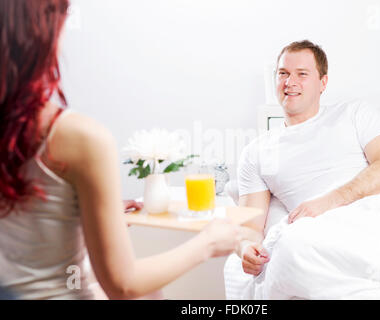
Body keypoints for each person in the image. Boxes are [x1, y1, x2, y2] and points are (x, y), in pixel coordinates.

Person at [0, 0, 242, 300]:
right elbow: (124, 285)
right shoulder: (79, 136)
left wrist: (90, 213)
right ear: (44, 31)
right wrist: (208, 242)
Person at [224, 40, 380, 299]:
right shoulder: (256, 152)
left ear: (323, 83)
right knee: (290, 249)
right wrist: (246, 249)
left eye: (302, 74)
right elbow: (249, 225)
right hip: (323, 232)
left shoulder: (354, 113)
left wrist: (328, 201)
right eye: (283, 73)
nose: (290, 82)